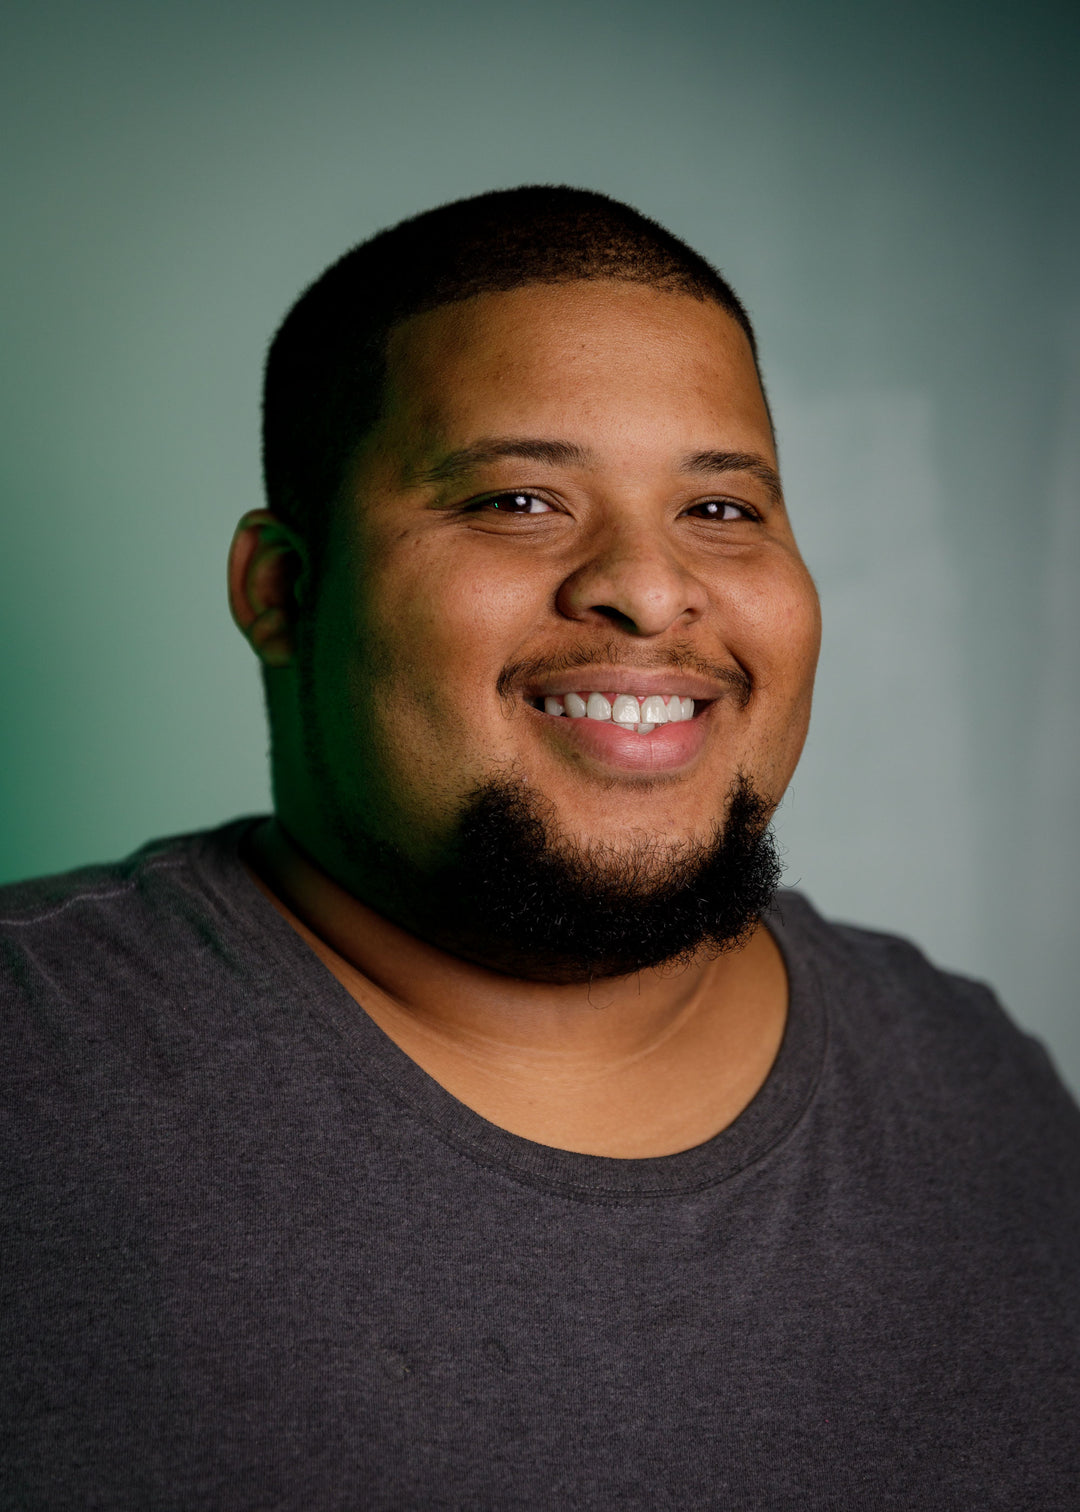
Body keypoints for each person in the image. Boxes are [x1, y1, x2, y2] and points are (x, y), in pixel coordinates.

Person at [2, 187, 1077, 1510]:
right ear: (283, 593)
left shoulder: (984, 1083)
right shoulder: (34, 1078)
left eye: (724, 512)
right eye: (519, 498)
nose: (648, 583)